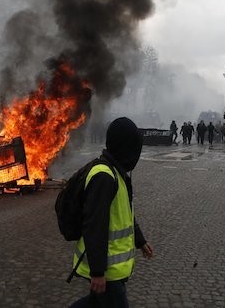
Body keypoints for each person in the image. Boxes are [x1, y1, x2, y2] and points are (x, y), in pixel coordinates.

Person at [69, 117, 154, 308]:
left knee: (94, 304)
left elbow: (124, 214)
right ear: (126, 148)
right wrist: (98, 272)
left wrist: (140, 241)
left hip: (112, 268)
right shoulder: (104, 176)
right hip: (107, 270)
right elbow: (94, 226)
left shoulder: (116, 172)